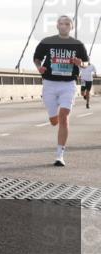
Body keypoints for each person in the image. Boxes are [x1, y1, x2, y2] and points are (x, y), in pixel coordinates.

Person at [32, 15, 90, 166]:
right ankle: (53, 117)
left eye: (67, 24)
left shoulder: (77, 44)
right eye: (61, 23)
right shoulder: (47, 41)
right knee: (54, 121)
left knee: (64, 117)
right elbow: (37, 58)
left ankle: (60, 155)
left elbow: (86, 63)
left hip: (68, 84)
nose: (64, 26)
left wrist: (80, 63)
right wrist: (39, 67)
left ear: (72, 27)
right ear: (57, 26)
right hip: (49, 84)